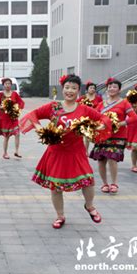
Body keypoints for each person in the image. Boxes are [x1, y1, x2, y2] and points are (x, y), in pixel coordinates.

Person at [20, 74, 111, 229]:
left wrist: (98, 127)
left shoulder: (85, 109)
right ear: (63, 89)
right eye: (67, 87)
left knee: (88, 182)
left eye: (74, 88)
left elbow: (105, 119)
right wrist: (39, 128)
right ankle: (60, 216)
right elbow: (32, 115)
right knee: (55, 187)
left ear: (78, 91)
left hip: (76, 152)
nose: (70, 91)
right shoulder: (53, 107)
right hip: (56, 152)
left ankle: (89, 206)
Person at [89, 78, 137, 194]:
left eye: (115, 87)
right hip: (102, 135)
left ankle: (114, 183)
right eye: (110, 87)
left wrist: (119, 124)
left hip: (118, 135)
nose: (112, 89)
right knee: (101, 160)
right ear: (107, 89)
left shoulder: (124, 103)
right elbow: (94, 117)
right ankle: (104, 183)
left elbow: (134, 117)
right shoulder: (101, 104)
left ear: (119, 90)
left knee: (112, 158)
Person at [0, 78, 25, 159]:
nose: (8, 85)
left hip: (13, 118)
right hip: (4, 118)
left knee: (17, 134)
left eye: (9, 84)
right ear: (3, 85)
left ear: (11, 85)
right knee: (6, 136)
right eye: (6, 84)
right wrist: (3, 106)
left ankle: (17, 151)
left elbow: (21, 102)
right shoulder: (0, 95)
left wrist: (17, 109)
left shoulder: (14, 94)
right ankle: (5, 153)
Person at [76, 81, 103, 153]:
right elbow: (75, 104)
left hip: (95, 119)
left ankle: (97, 150)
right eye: (91, 88)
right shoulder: (83, 98)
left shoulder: (98, 98)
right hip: (85, 119)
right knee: (86, 136)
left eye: (94, 88)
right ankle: (86, 151)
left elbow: (102, 106)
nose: (92, 89)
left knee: (96, 135)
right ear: (87, 89)